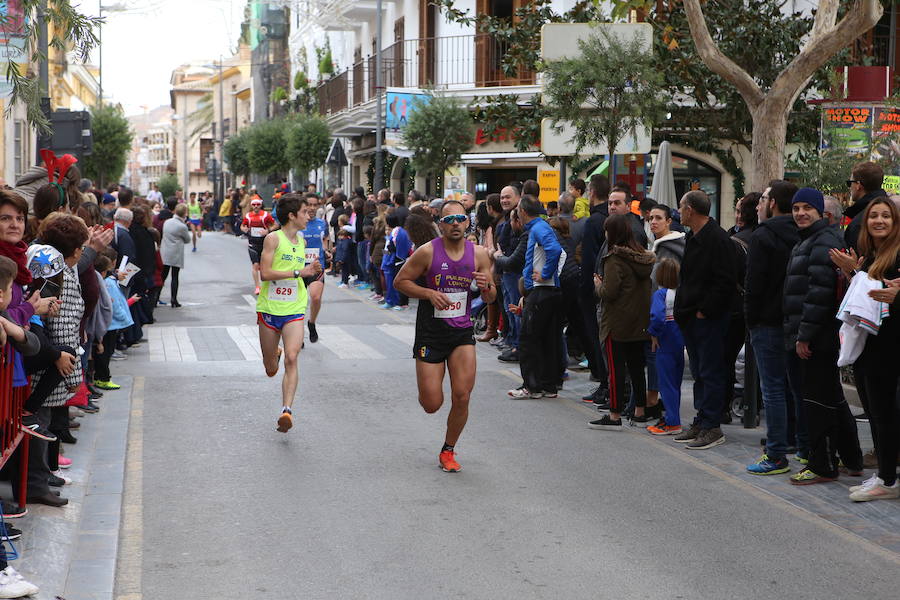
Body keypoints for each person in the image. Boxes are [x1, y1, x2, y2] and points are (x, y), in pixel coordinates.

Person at [393, 200, 496, 472]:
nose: (455, 224)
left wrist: (487, 289)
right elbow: (400, 282)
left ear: (467, 223)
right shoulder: (427, 253)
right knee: (431, 403)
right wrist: (428, 293)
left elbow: (491, 295)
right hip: (430, 333)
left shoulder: (480, 254)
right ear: (440, 223)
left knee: (462, 395)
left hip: (462, 333)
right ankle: (430, 397)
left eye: (460, 219)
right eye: (449, 220)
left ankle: (448, 450)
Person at [783, 188, 862, 485]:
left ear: (821, 213)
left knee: (817, 402)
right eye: (796, 207)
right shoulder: (810, 240)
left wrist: (804, 336)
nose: (801, 213)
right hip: (819, 334)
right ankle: (851, 459)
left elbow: (819, 295)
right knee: (831, 398)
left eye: (807, 208)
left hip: (818, 337)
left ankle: (822, 465)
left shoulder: (822, 242)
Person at [830, 197, 900, 500]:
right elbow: (867, 293)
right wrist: (852, 272)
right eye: (874, 216)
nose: (879, 221)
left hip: (890, 347)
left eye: (886, 216)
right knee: (875, 412)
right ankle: (884, 475)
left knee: (884, 414)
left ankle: (887, 480)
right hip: (868, 344)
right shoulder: (874, 254)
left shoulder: (897, 254)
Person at [743, 181, 800, 475]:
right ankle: (797, 443)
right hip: (793, 321)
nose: (758, 204)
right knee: (792, 387)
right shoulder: (803, 232)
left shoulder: (764, 235)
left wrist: (751, 319)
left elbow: (754, 284)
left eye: (763, 198)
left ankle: (776, 452)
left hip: (767, 321)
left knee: (774, 389)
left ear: (774, 203)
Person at [673, 190, 736, 449]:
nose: (678, 211)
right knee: (699, 371)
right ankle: (701, 420)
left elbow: (725, 281)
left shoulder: (717, 239)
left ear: (691, 210)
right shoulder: (693, 237)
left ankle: (712, 425)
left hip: (708, 319)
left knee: (711, 371)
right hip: (692, 316)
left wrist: (705, 311)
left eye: (681, 207)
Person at [255, 194, 321, 433]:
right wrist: (298, 273)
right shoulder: (274, 238)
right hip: (270, 309)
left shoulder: (302, 240)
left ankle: (286, 410)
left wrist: (313, 271)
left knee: (293, 358)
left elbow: (304, 273)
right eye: (304, 211)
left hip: (294, 308)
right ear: (292, 215)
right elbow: (265, 273)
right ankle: (275, 354)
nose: (308, 215)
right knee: (271, 368)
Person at [589, 214, 655, 429]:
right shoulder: (642, 257)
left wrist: (598, 284)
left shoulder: (614, 259)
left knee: (616, 370)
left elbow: (609, 292)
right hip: (639, 321)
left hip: (616, 322)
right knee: (636, 367)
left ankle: (614, 415)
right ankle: (639, 412)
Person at [507, 196, 565, 398]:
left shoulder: (539, 228)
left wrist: (546, 274)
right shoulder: (541, 227)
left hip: (542, 291)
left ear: (522, 211)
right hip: (547, 292)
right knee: (546, 340)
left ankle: (531, 386)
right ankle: (547, 386)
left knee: (529, 339)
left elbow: (556, 250)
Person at [646, 258, 685, 435]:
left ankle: (672, 422)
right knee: (675, 383)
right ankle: (673, 417)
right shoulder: (681, 293)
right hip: (679, 339)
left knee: (666, 383)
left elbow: (657, 316)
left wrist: (653, 333)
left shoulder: (660, 295)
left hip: (665, 341)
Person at [302, 193, 328, 343]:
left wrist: (327, 251)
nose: (312, 208)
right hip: (299, 268)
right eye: (309, 205)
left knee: (316, 297)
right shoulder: (298, 224)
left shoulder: (322, 223)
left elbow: (324, 241)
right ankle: (298, 333)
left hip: (317, 266)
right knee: (299, 303)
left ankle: (311, 323)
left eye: (315, 205)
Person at [844, 161, 887, 252]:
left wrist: (853, 267)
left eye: (849, 183)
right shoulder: (893, 210)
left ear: (858, 185)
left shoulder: (859, 223)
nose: (849, 187)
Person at [241, 198, 276, 295]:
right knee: (255, 265)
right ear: (251, 206)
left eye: (257, 204)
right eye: (254, 204)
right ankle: (257, 286)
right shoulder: (248, 216)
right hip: (252, 243)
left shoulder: (265, 215)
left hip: (265, 244)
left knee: (266, 265)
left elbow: (275, 225)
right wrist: (244, 229)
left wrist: (268, 231)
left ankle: (268, 282)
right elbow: (242, 226)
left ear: (260, 205)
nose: (256, 206)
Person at [160, 205, 192, 308]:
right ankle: (174, 299)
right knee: (175, 276)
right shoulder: (182, 226)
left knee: (163, 276)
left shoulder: (167, 222)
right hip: (176, 253)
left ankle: (156, 297)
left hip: (165, 252)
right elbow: (187, 239)